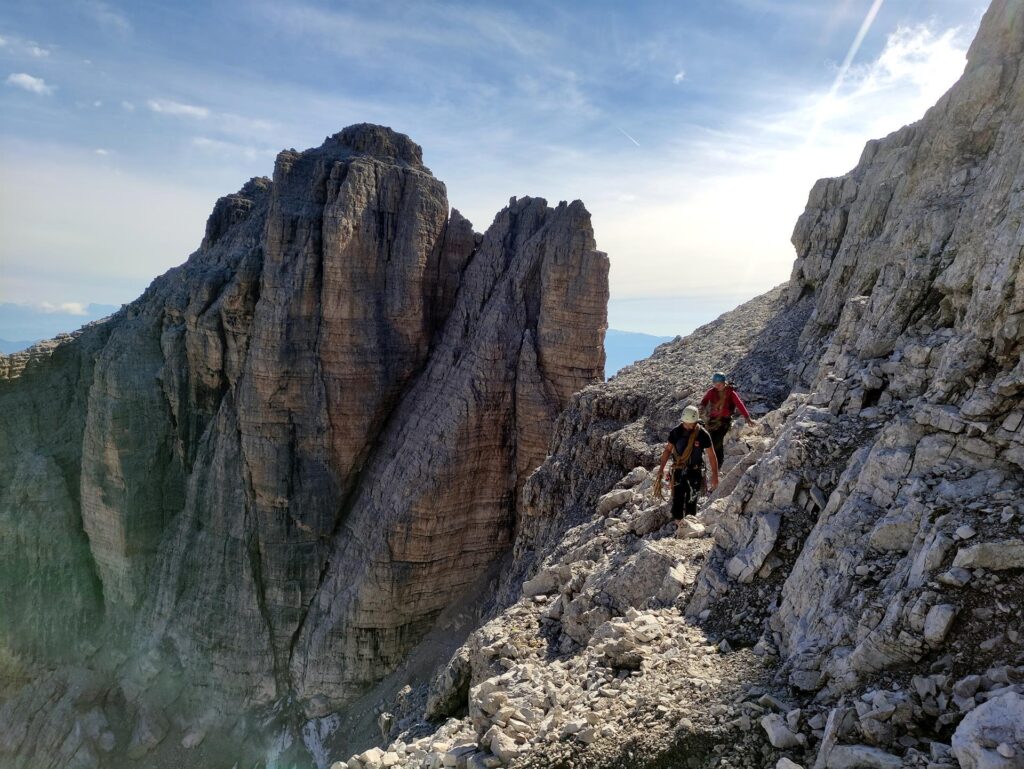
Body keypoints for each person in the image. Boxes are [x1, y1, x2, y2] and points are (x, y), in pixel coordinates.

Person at [655, 404, 719, 525]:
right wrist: (661, 469)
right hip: (679, 470)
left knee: (692, 499)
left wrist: (715, 475)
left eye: (691, 424)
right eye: (686, 423)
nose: (688, 426)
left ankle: (690, 526)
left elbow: (711, 455)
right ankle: (679, 524)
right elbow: (668, 450)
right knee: (678, 498)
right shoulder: (676, 432)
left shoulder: (702, 434)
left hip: (695, 471)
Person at [699, 372, 756, 468]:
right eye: (715, 385)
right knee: (710, 439)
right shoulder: (711, 392)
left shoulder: (731, 393)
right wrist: (702, 406)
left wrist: (747, 417)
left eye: (719, 385)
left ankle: (719, 463)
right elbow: (704, 401)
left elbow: (739, 404)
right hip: (713, 420)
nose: (717, 387)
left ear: (724, 382)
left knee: (718, 440)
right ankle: (712, 462)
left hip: (724, 420)